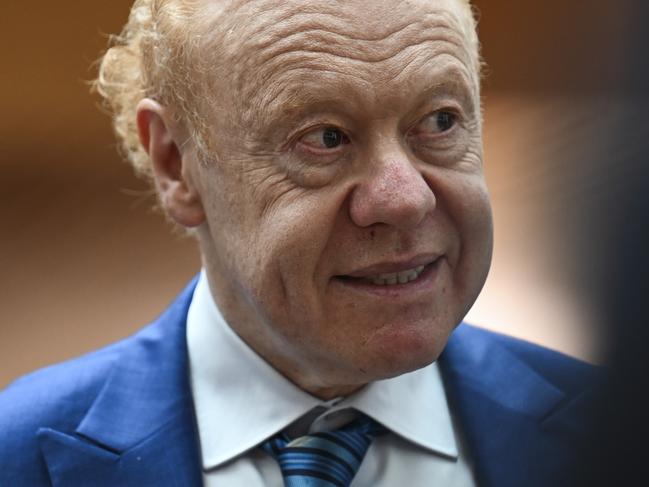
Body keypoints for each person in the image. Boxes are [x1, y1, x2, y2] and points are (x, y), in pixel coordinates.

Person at [0, 0, 595, 485]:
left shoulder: (609, 433)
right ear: (176, 163)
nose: (405, 198)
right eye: (326, 138)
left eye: (440, 122)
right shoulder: (20, 457)